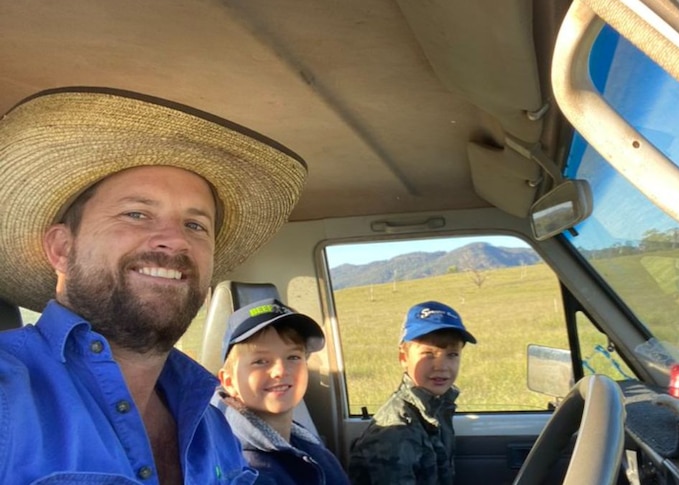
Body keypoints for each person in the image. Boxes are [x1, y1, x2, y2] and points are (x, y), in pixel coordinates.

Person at [0, 88, 307, 484]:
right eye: (137, 214)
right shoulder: (9, 394)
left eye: (195, 225)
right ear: (62, 248)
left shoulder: (213, 430)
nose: (176, 240)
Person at [213, 298, 350, 485]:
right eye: (260, 361)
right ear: (229, 381)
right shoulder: (242, 471)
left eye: (293, 357)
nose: (281, 371)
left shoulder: (312, 449)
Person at [348, 300, 477, 485]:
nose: (442, 367)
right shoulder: (395, 431)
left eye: (452, 355)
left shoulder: (436, 409)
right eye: (428, 354)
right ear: (404, 357)